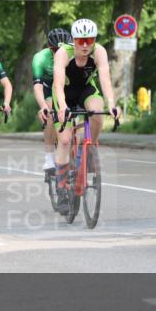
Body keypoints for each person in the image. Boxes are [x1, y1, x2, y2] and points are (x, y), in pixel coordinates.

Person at [51, 19, 118, 215]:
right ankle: (61, 188)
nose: (86, 45)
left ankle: (90, 149)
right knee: (65, 140)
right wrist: (62, 107)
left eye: (90, 40)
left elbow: (105, 80)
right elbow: (58, 84)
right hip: (64, 94)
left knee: (97, 112)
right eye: (81, 41)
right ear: (74, 40)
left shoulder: (99, 52)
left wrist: (112, 104)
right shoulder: (63, 53)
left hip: (86, 90)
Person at [33, 27, 72, 173]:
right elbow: (38, 86)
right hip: (48, 88)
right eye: (55, 50)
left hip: (67, 86)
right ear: (50, 48)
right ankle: (49, 158)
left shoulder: (73, 54)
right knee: (50, 112)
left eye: (63, 49)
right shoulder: (40, 58)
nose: (59, 53)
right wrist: (42, 105)